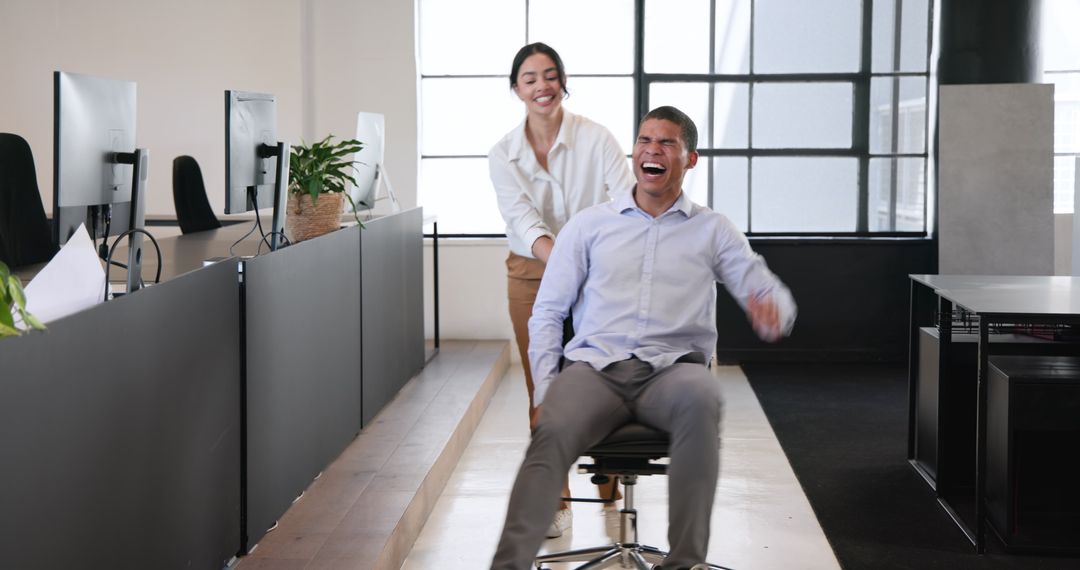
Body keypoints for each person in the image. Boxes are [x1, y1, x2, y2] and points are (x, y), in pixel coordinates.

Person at [489, 106, 797, 570]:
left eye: (667, 143)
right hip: (594, 369)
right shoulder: (590, 226)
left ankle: (684, 563)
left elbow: (760, 283)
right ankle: (507, 565)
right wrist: (546, 386)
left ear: (690, 159)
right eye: (644, 141)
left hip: (675, 372)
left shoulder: (712, 229)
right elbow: (548, 311)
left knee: (703, 398)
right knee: (550, 425)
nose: (652, 151)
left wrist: (773, 308)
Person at [489, 42, 635, 538]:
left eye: (550, 76)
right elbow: (523, 221)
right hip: (532, 273)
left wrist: (589, 261)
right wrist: (564, 263)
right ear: (516, 90)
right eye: (530, 78)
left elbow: (627, 200)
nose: (542, 86)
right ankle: (557, 495)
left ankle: (610, 466)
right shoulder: (502, 153)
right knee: (543, 383)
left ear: (563, 81)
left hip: (599, 273)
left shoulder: (596, 138)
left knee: (602, 375)